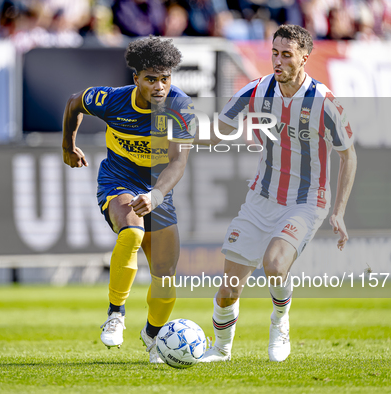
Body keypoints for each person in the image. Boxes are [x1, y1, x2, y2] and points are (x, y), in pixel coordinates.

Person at [198, 24, 357, 363]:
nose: (278, 61)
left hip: (305, 201)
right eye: (274, 53)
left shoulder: (323, 101)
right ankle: (221, 350)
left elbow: (348, 155)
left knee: (274, 263)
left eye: (287, 55)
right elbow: (219, 131)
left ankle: (280, 322)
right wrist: (181, 139)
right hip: (261, 198)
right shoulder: (256, 90)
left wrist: (339, 211)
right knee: (228, 290)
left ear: (304, 58)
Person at [62, 36, 194, 363]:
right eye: (151, 79)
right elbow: (74, 103)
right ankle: (115, 313)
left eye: (165, 78)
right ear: (136, 78)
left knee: (165, 276)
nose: (160, 86)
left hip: (157, 190)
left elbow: (178, 161)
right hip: (118, 181)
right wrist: (68, 146)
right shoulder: (111, 100)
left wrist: (157, 194)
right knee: (132, 231)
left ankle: (152, 337)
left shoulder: (180, 107)